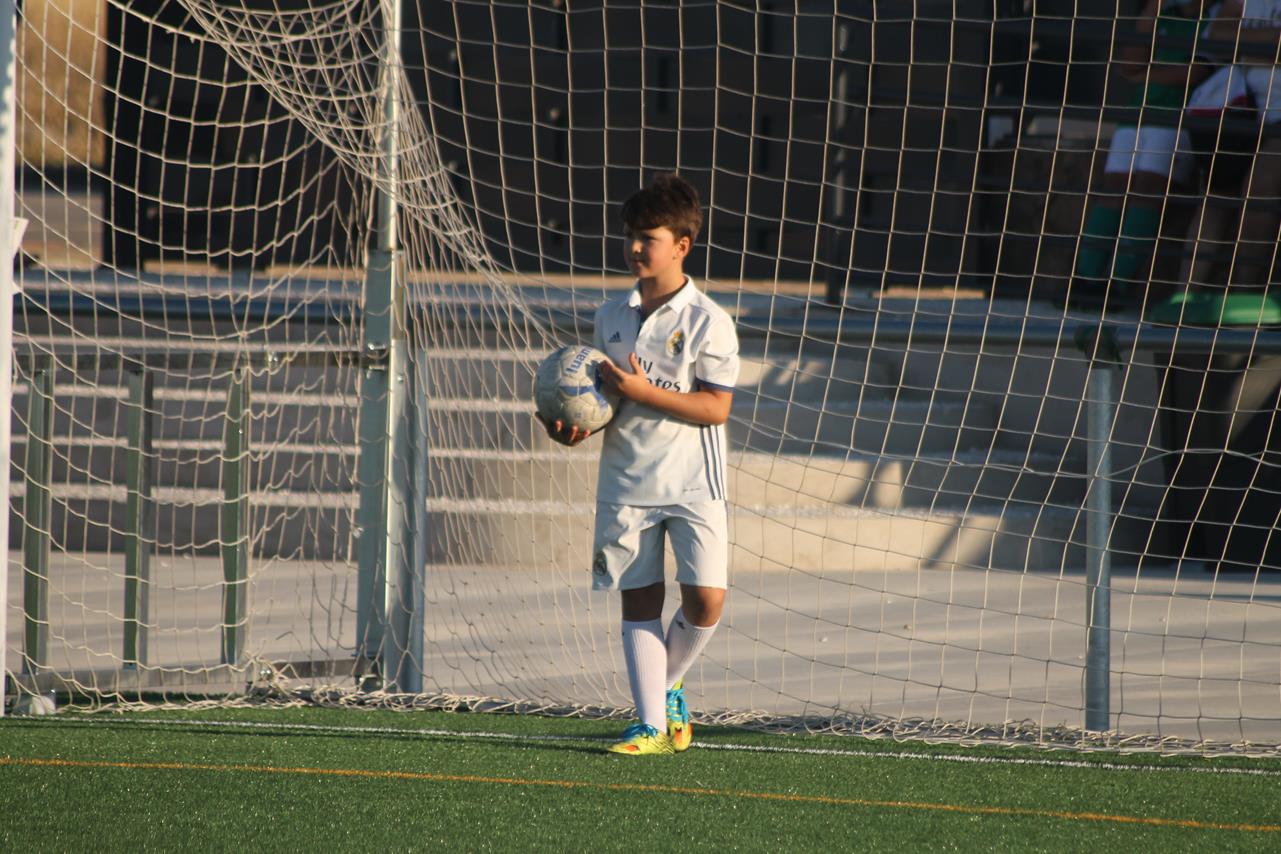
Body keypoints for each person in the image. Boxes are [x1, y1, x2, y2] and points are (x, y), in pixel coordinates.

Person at [542, 173, 739, 755]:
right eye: (630, 236)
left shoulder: (709, 321)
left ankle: (666, 689)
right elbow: (606, 404)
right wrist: (572, 431)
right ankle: (649, 724)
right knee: (640, 601)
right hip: (626, 483)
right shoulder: (611, 316)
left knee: (706, 602)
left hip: (694, 483)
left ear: (682, 245)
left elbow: (716, 408)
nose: (634, 248)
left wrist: (644, 390)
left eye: (647, 237)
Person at [1069, 0, 1213, 309]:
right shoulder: (1162, 15)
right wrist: (1152, 10)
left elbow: (1194, 73)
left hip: (1178, 117)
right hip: (1136, 116)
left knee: (1147, 188)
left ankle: (1120, 284)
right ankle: (1086, 280)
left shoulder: (1215, 18)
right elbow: (1129, 65)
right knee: (1113, 188)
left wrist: (1145, 75)